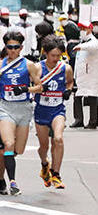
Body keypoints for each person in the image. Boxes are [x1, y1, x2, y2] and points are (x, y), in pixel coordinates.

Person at [0, 30, 42, 195]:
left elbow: (39, 87)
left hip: (24, 109)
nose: (13, 50)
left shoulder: (29, 65)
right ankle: (10, 181)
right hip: (6, 108)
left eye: (16, 47)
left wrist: (25, 89)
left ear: (21, 48)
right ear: (5, 47)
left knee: (18, 150)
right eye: (10, 47)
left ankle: (7, 171)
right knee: (8, 144)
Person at [35, 36, 73, 190]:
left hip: (58, 109)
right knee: (43, 146)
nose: (56, 59)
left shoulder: (65, 68)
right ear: (45, 53)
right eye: (53, 55)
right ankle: (45, 164)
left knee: (58, 139)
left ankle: (56, 174)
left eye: (58, 56)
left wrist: (68, 91)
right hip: (41, 110)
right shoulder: (38, 68)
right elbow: (32, 85)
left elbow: (70, 82)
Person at [73, 19, 98, 129]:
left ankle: (93, 121)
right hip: (81, 75)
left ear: (90, 29)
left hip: (91, 75)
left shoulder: (93, 41)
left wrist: (81, 47)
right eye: (81, 29)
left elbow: (93, 46)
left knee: (92, 97)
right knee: (77, 96)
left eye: (84, 29)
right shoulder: (82, 41)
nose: (82, 31)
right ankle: (79, 120)